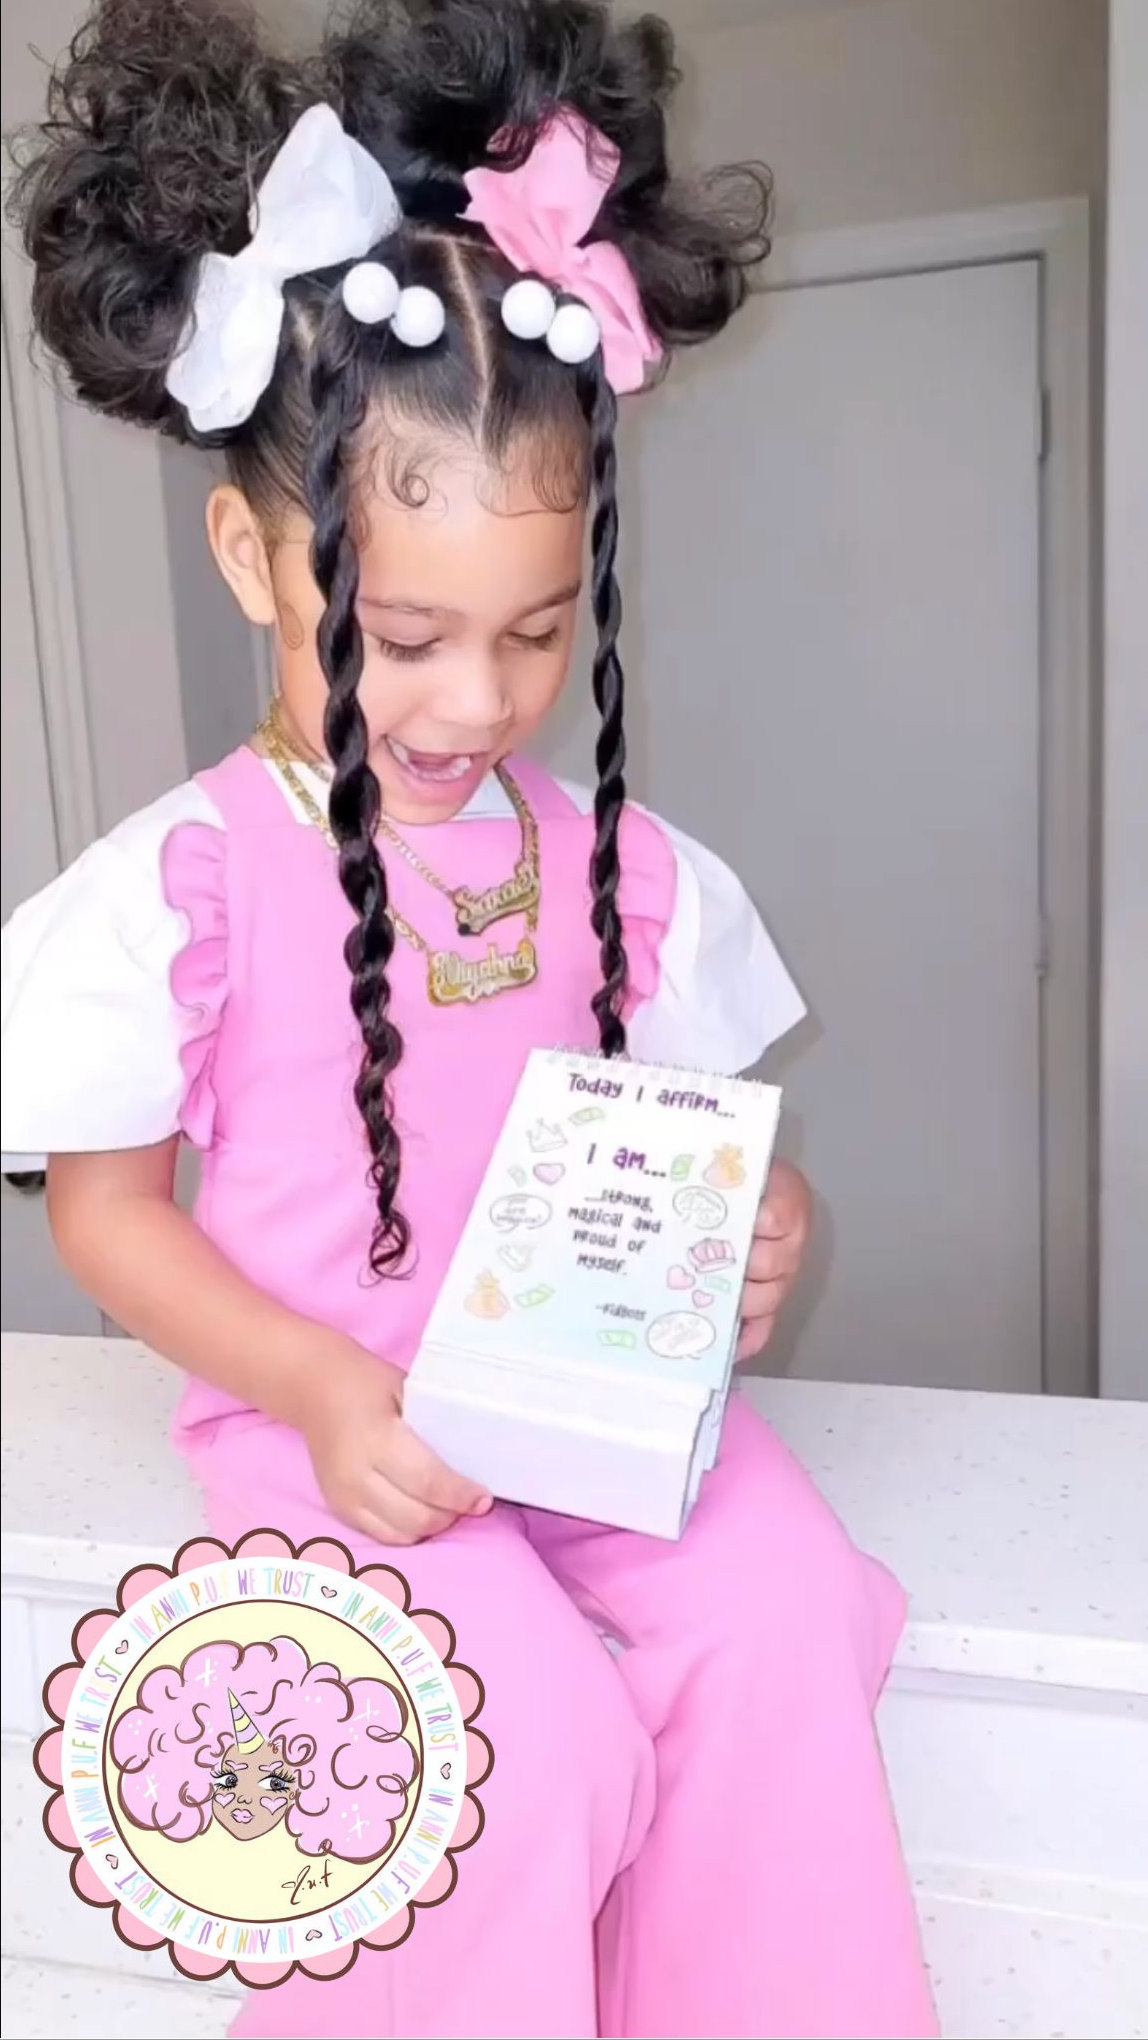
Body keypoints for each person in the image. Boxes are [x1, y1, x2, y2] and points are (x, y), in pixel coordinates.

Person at [1, 2, 936, 2034]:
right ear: (253, 554)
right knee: (514, 1750)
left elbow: (683, 1154)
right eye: (405, 636)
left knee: (786, 1614)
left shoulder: (628, 871)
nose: (476, 702)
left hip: (583, 1396)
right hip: (321, 1420)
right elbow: (105, 1215)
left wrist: (756, 1232)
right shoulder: (181, 888)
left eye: (535, 632)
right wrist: (329, 1389)